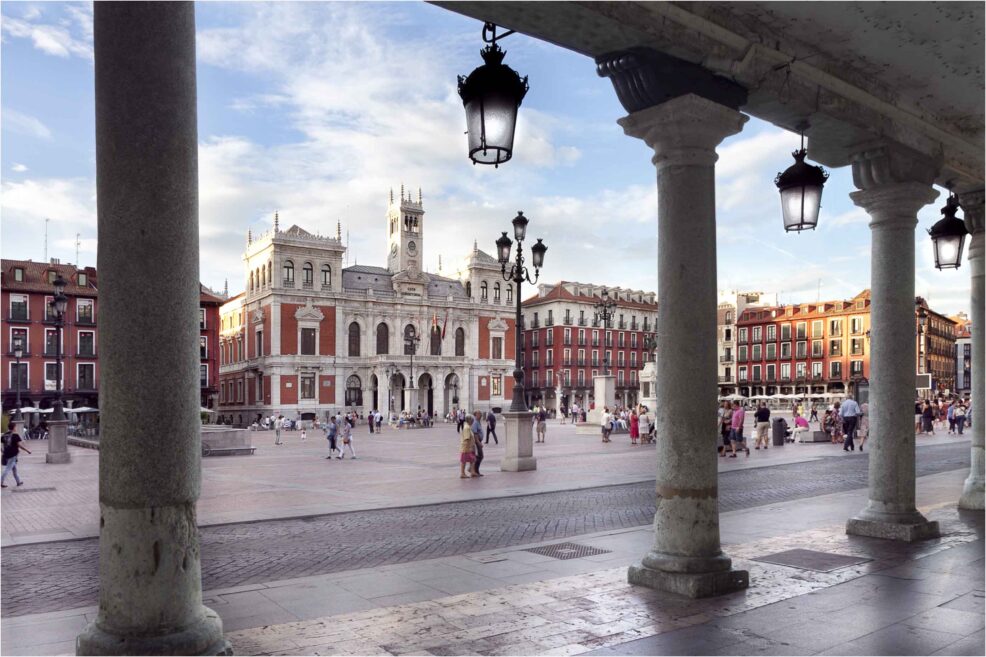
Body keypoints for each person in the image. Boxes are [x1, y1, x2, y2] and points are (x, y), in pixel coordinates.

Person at [1, 423, 31, 488]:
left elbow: (2, 445)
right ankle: (1, 482)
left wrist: (2, 451)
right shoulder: (15, 435)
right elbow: (19, 445)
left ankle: (18, 482)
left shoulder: (4, 435)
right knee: (7, 469)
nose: (16, 428)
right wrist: (27, 450)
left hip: (6, 454)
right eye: (15, 427)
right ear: (14, 427)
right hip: (13, 454)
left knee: (14, 469)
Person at [471, 411, 484, 476]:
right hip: (477, 442)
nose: (481, 415)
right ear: (476, 415)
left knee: (478, 456)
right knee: (480, 456)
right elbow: (475, 434)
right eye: (479, 414)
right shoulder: (475, 422)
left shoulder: (478, 422)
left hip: (479, 441)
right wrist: (479, 443)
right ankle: (474, 470)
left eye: (481, 414)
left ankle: (474, 470)